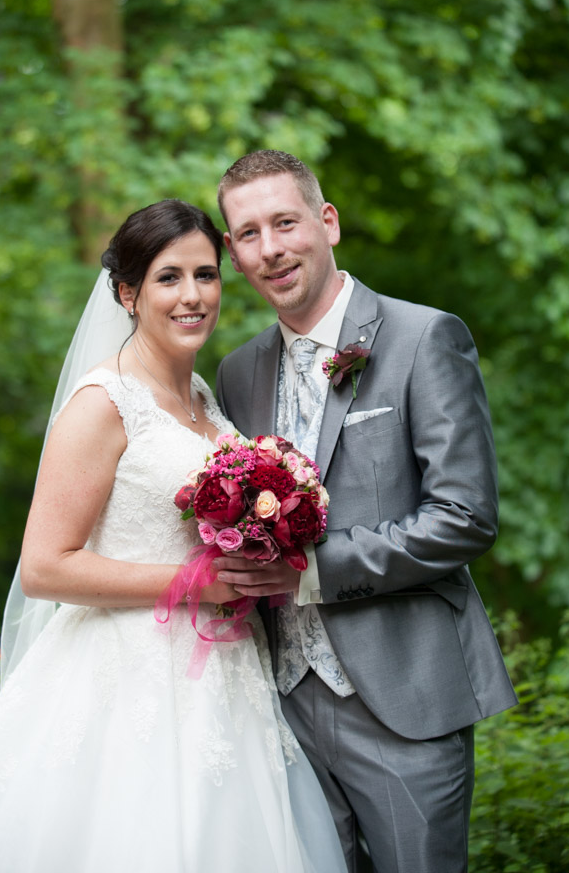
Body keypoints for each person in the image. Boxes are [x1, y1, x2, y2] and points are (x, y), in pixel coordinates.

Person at [0, 199, 347, 873]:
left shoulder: (205, 399)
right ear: (128, 294)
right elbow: (44, 567)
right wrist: (196, 584)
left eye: (205, 275)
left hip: (227, 673)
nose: (192, 296)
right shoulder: (104, 403)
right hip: (125, 678)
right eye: (168, 278)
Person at [213, 151, 518, 873]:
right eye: (249, 234)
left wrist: (311, 572)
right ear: (233, 251)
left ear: (327, 222)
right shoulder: (236, 372)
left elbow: (463, 516)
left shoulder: (424, 337)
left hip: (403, 699)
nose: (270, 249)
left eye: (285, 223)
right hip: (279, 708)